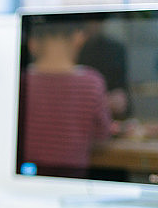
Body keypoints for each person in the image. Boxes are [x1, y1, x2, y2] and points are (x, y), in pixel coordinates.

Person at [20, 19, 112, 178]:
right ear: (79, 38)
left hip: (27, 175)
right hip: (72, 178)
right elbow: (102, 135)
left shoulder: (22, 81)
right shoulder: (92, 82)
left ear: (32, 43)